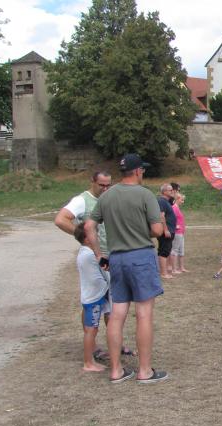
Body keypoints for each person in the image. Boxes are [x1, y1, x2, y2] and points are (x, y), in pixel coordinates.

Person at [84, 153, 168, 384]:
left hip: (116, 259)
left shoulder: (107, 196)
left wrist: (98, 254)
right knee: (144, 313)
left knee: (117, 314)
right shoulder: (144, 195)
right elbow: (157, 231)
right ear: (138, 171)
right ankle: (144, 371)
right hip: (140, 256)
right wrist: (143, 229)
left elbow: (89, 225)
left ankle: (116, 370)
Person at [54, 171, 133, 358]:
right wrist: (83, 236)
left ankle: (115, 343)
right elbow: (60, 219)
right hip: (94, 258)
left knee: (113, 302)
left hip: (112, 255)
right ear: (92, 182)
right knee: (93, 300)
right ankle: (93, 345)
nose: (105, 188)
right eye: (101, 185)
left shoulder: (110, 199)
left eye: (108, 185)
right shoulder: (82, 200)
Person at [73, 222, 110, 372]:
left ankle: (90, 360)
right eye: (94, 234)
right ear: (87, 238)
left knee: (92, 329)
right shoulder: (90, 255)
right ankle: (88, 362)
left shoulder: (84, 252)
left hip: (93, 296)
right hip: (93, 299)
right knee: (91, 330)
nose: (97, 237)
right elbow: (101, 275)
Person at [157, 183, 177, 279]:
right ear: (164, 192)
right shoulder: (161, 201)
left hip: (169, 230)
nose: (172, 191)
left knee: (166, 250)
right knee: (163, 251)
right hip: (166, 231)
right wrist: (166, 229)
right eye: (170, 190)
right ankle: (163, 273)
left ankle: (165, 271)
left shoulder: (167, 201)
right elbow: (161, 216)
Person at [170, 193, 189, 274]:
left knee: (181, 251)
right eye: (182, 200)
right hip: (177, 233)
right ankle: (174, 269)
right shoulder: (174, 208)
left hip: (181, 233)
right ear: (177, 199)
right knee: (175, 250)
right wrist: (175, 226)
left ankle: (181, 268)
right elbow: (170, 219)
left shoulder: (177, 208)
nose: (183, 201)